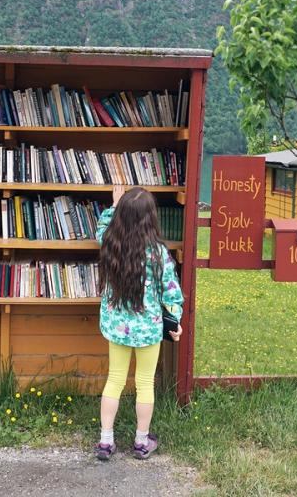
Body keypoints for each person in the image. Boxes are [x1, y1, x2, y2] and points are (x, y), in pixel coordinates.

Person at [94, 185, 184, 461]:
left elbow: (100, 228)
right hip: (148, 330)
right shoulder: (158, 253)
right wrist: (174, 322)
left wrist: (113, 205)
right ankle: (141, 441)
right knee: (145, 383)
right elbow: (171, 292)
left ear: (120, 215)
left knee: (114, 380)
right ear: (151, 218)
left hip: (117, 328)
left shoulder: (110, 243)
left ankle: (106, 441)